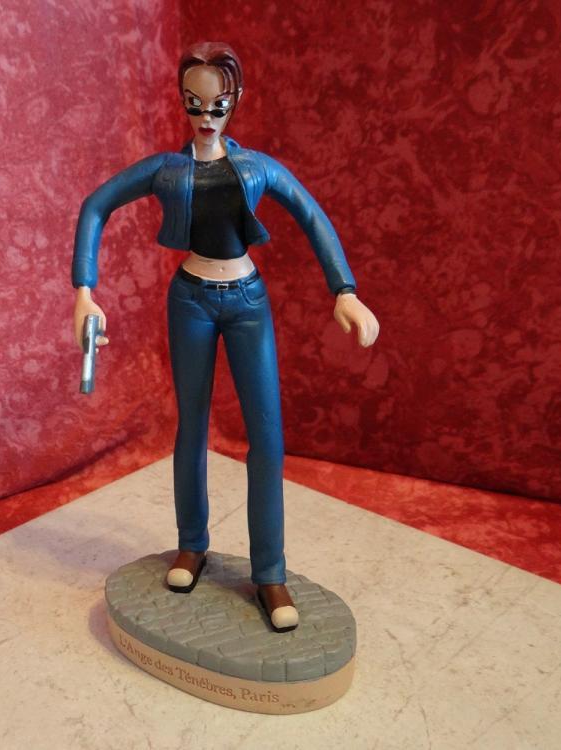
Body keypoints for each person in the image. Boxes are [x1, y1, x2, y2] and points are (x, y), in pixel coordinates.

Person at [72, 42, 379, 632]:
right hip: (189, 299)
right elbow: (96, 205)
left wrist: (344, 290)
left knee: (267, 436)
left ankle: (270, 572)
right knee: (191, 426)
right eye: (194, 103)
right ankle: (192, 544)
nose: (206, 116)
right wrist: (84, 290)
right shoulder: (168, 169)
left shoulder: (257, 167)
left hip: (247, 303)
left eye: (218, 104)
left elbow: (311, 214)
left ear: (236, 101)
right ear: (182, 102)